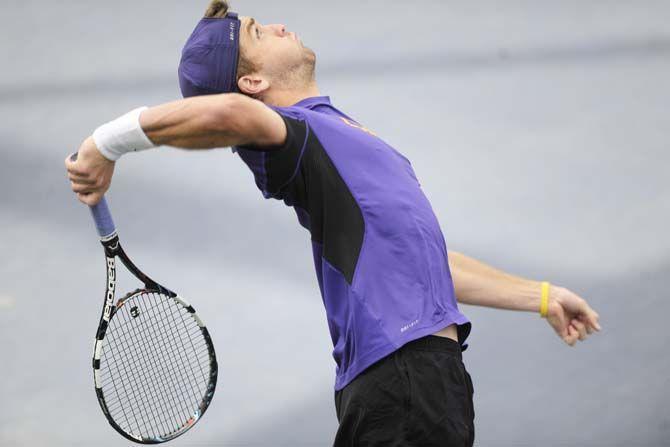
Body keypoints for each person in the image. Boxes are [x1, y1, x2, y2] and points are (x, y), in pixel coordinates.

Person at [65, 1, 602, 445]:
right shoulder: (296, 134)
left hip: (423, 380)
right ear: (250, 81)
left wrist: (540, 295)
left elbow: (423, 261)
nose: (275, 23)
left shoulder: (337, 134)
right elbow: (227, 116)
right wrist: (104, 144)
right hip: (404, 382)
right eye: (255, 31)